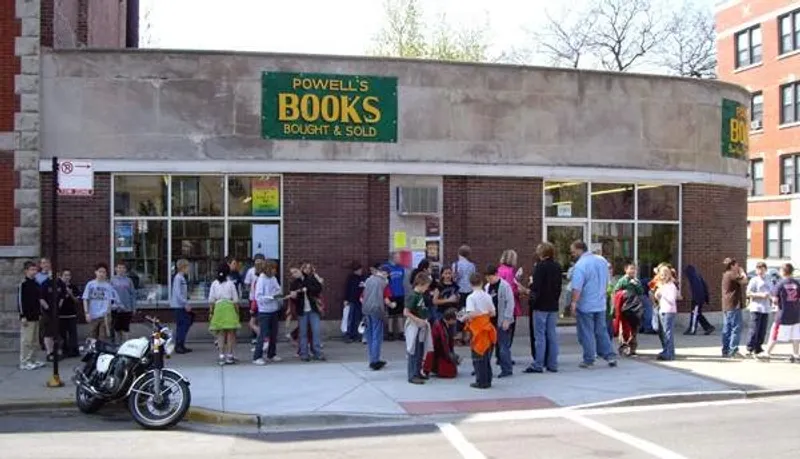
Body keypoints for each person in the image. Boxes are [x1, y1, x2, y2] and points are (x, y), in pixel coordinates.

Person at [569, 241, 618, 369]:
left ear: (580, 250)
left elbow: (577, 287)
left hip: (585, 304)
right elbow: (608, 280)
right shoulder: (602, 261)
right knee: (601, 330)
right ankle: (610, 356)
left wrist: (574, 302)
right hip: (600, 303)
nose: (572, 254)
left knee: (586, 332)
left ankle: (589, 358)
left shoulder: (580, 265)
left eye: (573, 251)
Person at [526, 242, 561, 373]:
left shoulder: (540, 266)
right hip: (553, 305)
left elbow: (536, 287)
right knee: (552, 335)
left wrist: (530, 285)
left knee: (539, 336)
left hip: (540, 305)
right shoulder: (557, 266)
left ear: (541, 253)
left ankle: (538, 364)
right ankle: (553, 363)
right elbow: (558, 287)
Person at [465, 273, 497, 389]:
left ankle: (481, 381)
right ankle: (488, 379)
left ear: (470, 284)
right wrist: (485, 314)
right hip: (487, 327)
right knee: (486, 356)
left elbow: (471, 313)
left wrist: (464, 317)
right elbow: (493, 312)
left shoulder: (471, 297)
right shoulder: (487, 296)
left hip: (477, 329)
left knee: (478, 357)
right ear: (482, 283)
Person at [765, 263, 800, 362]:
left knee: (775, 334)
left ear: (783, 272)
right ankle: (796, 355)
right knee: (796, 335)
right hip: (796, 314)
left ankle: (767, 353)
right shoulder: (797, 283)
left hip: (783, 314)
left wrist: (770, 297)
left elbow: (775, 299)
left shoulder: (780, 284)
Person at [361, 264, 394, 370]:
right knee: (377, 335)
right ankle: (375, 361)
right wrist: (393, 305)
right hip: (377, 309)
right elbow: (386, 300)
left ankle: (372, 359)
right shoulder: (384, 283)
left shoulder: (369, 280)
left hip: (366, 309)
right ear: (386, 274)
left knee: (369, 335)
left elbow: (362, 297)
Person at [485, 264, 515, 378]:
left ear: (496, 275)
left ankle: (506, 369)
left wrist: (507, 319)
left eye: (491, 277)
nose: (489, 280)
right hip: (490, 321)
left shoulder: (504, 286)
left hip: (502, 320)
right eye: (487, 278)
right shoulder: (488, 287)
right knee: (488, 346)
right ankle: (484, 367)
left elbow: (510, 303)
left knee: (503, 347)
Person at [208, 262, 241, 365]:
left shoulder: (214, 283)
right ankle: (230, 356)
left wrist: (211, 312)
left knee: (220, 334)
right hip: (229, 308)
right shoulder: (231, 283)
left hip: (218, 308)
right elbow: (235, 300)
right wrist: (237, 313)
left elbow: (211, 300)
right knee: (231, 334)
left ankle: (221, 355)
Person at [253, 261, 285, 365]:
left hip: (274, 310)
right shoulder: (261, 280)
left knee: (274, 334)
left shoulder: (273, 279)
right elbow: (258, 297)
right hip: (264, 311)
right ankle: (257, 357)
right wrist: (271, 297)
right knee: (263, 335)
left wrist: (278, 295)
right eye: (273, 268)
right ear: (268, 269)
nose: (275, 271)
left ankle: (271, 354)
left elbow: (278, 289)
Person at [292, 264, 326, 362]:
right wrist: (294, 296)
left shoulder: (310, 279)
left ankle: (317, 352)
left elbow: (319, 288)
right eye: (293, 273)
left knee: (316, 331)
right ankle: (304, 354)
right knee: (303, 333)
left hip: (313, 309)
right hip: (302, 311)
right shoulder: (294, 283)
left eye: (296, 272)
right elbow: (294, 300)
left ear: (300, 271)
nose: (294, 274)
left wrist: (307, 289)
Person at [404, 271, 433, 385]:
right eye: (426, 286)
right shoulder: (413, 296)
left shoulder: (420, 295)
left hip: (421, 325)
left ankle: (418, 371)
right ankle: (412, 375)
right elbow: (406, 312)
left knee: (420, 350)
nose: (427, 288)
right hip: (414, 325)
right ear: (421, 284)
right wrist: (418, 320)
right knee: (414, 350)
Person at [18, 261, 45, 370]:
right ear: (26, 271)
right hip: (27, 317)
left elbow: (38, 300)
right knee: (27, 340)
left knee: (34, 340)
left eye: (35, 270)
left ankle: (33, 359)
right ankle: (24, 361)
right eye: (31, 270)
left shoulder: (36, 283)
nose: (34, 272)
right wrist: (22, 315)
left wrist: (39, 313)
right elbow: (20, 301)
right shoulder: (23, 284)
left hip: (35, 315)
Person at [613, 263, 644, 356]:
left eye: (634, 269)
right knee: (624, 329)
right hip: (625, 307)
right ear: (626, 270)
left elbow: (641, 292)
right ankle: (623, 347)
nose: (633, 271)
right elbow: (616, 291)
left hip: (635, 307)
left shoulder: (636, 281)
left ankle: (632, 349)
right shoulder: (622, 280)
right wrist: (622, 292)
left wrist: (636, 285)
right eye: (631, 269)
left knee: (634, 329)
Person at [82, 263, 118, 341]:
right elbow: (85, 299)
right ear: (96, 272)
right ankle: (93, 352)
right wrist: (86, 313)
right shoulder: (90, 284)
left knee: (103, 337)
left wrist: (108, 312)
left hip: (105, 315)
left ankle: (101, 353)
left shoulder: (108, 286)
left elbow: (110, 300)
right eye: (100, 271)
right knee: (92, 337)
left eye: (104, 272)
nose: (101, 274)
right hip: (93, 315)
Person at [721, 257, 748, 359]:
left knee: (727, 328)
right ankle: (733, 350)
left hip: (726, 305)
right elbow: (744, 281)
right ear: (732, 265)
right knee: (736, 327)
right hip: (733, 304)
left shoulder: (725, 274)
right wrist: (742, 272)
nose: (738, 266)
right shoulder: (732, 274)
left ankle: (725, 350)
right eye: (737, 265)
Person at [423, 307, 461, 378]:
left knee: (452, 371)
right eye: (455, 319)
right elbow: (442, 343)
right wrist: (449, 356)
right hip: (437, 350)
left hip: (444, 349)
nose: (456, 321)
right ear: (450, 319)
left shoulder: (449, 325)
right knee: (449, 373)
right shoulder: (438, 326)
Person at [746, 261, 773, 359]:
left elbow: (772, 291)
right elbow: (748, 293)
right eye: (758, 269)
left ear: (765, 269)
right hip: (756, 307)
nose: (760, 271)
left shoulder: (769, 279)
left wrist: (771, 297)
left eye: (762, 269)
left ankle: (758, 347)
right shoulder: (754, 280)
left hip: (766, 308)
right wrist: (760, 295)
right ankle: (750, 348)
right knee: (754, 329)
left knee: (762, 329)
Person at [497, 250, 523, 349]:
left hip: (500, 305)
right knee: (509, 332)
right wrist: (520, 291)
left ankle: (500, 354)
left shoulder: (499, 270)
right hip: (510, 306)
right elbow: (511, 289)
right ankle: (505, 355)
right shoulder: (510, 272)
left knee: (501, 332)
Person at [653, 265, 679, 361]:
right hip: (662, 310)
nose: (663, 277)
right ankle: (666, 350)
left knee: (668, 333)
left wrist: (662, 293)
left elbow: (672, 300)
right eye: (661, 275)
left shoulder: (671, 286)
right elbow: (658, 297)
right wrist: (657, 295)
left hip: (669, 311)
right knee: (663, 333)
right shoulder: (663, 285)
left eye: (665, 275)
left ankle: (670, 353)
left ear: (669, 275)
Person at [683, 265, 715, 335]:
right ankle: (708, 327)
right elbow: (705, 287)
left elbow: (698, 290)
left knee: (695, 314)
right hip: (700, 298)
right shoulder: (698, 276)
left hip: (697, 299)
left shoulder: (693, 278)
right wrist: (706, 298)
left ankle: (692, 329)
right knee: (698, 314)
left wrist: (697, 300)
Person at [110, 261, 137, 344]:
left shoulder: (129, 280)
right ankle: (117, 346)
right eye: (119, 267)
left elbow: (133, 294)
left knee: (125, 329)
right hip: (115, 309)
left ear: (125, 270)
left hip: (127, 308)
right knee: (117, 328)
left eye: (123, 268)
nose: (121, 269)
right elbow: (109, 295)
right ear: (115, 269)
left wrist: (134, 307)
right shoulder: (112, 280)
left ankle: (125, 346)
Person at [171, 259, 193, 354]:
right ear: (183, 267)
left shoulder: (182, 278)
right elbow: (178, 293)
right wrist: (185, 303)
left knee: (183, 325)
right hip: (179, 306)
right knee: (183, 325)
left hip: (181, 305)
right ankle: (179, 345)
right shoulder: (178, 278)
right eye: (187, 267)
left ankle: (181, 344)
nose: (189, 269)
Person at [57, 269, 81, 357]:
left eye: (68, 275)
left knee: (72, 333)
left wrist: (70, 294)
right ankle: (64, 350)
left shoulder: (73, 287)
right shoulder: (58, 287)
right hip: (61, 314)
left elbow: (77, 301)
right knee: (62, 334)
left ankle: (73, 351)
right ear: (61, 276)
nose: (67, 277)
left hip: (71, 314)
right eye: (65, 275)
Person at [244, 254, 266, 347]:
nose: (259, 263)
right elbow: (247, 284)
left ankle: (262, 337)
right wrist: (251, 292)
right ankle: (255, 336)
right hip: (253, 299)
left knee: (260, 319)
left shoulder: (266, 271)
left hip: (262, 300)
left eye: (261, 261)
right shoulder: (250, 271)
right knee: (253, 318)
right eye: (257, 261)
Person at [343, 261, 366, 343]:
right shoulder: (351, 278)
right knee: (351, 318)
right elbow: (347, 289)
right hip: (352, 300)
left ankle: (357, 334)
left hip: (360, 301)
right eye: (359, 270)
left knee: (358, 318)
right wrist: (346, 299)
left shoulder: (363, 278)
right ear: (355, 270)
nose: (360, 271)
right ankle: (349, 334)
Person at [386, 252, 407, 341]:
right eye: (397, 257)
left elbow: (402, 280)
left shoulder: (401, 268)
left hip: (400, 294)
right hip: (391, 294)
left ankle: (401, 333)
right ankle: (390, 333)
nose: (399, 259)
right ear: (393, 258)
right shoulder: (387, 268)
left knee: (400, 314)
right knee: (391, 315)